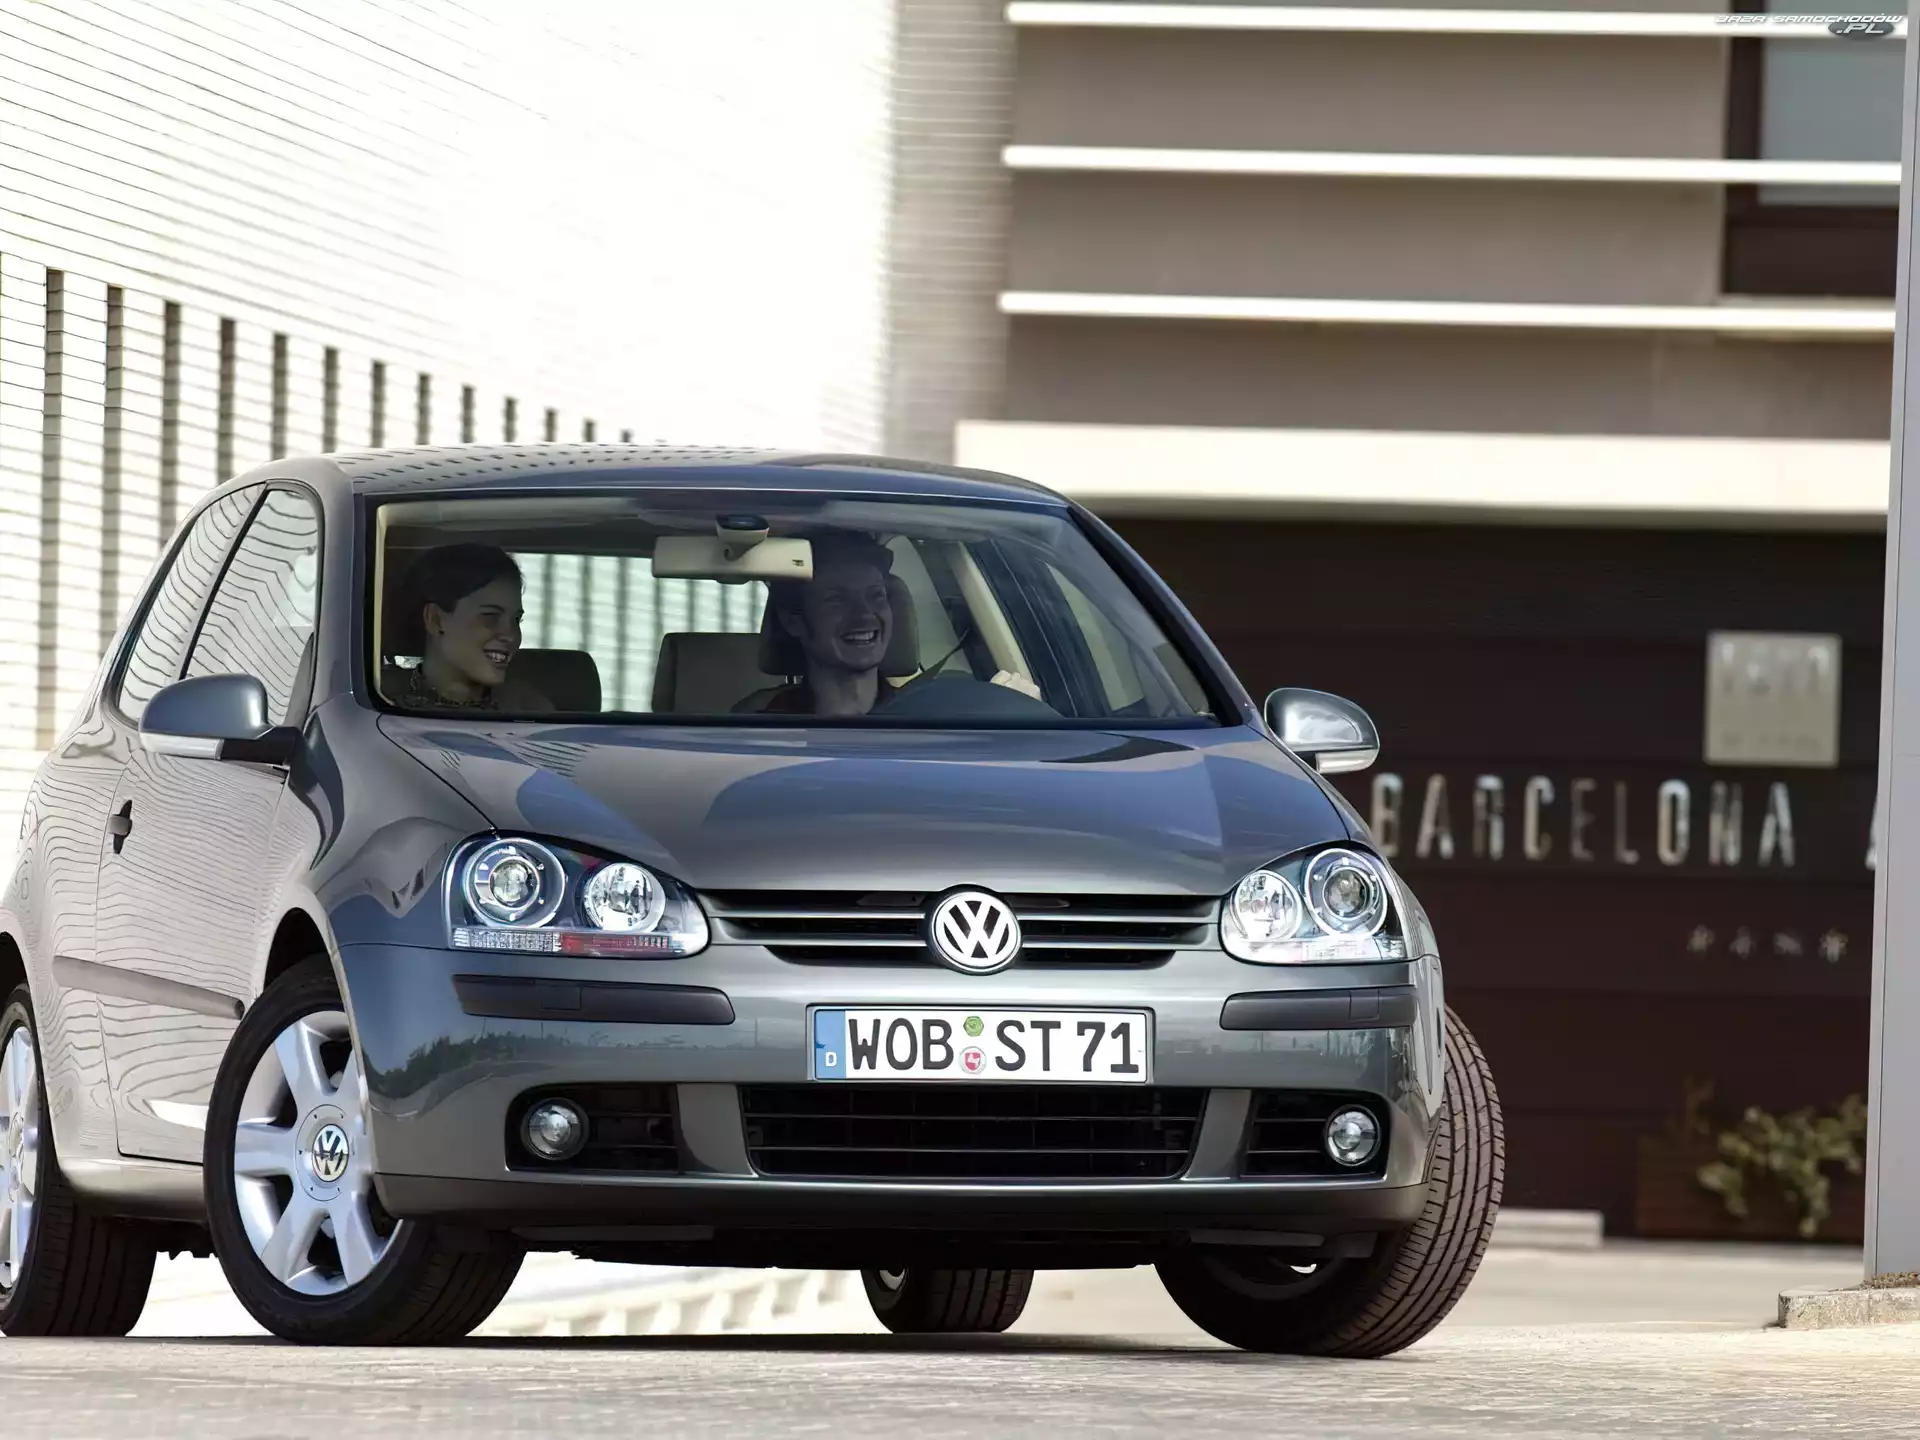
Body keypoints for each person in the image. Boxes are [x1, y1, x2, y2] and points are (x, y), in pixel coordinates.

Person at [738, 533, 904, 717]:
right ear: (793, 622)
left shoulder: (920, 713)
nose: (864, 614)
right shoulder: (759, 721)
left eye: (876, 595)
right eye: (837, 599)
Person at [389, 543, 551, 712]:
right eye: (490, 616)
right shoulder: (385, 704)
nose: (511, 636)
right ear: (436, 620)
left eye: (516, 620)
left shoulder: (529, 710)